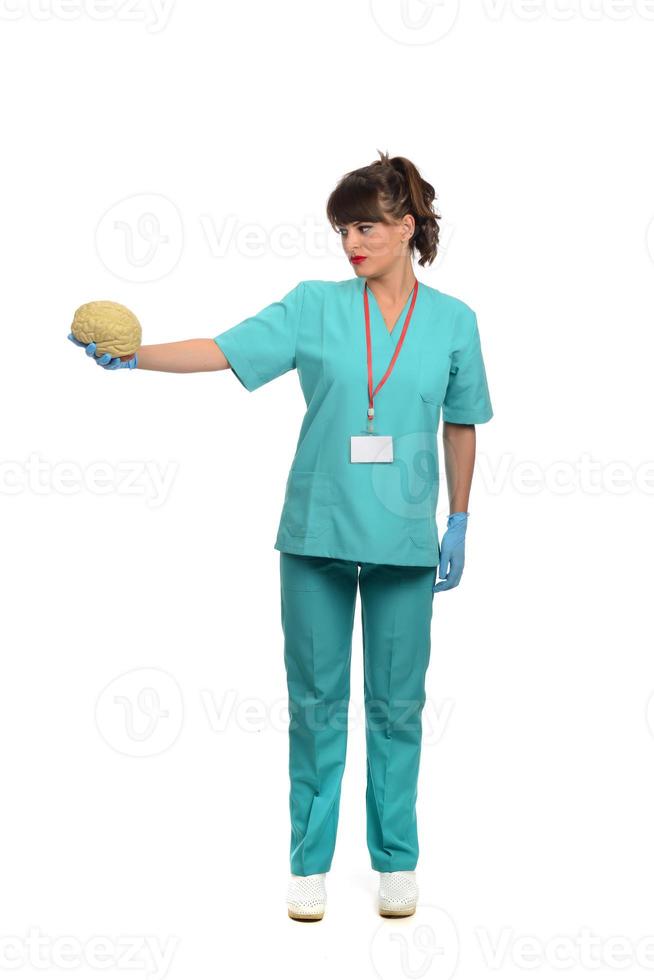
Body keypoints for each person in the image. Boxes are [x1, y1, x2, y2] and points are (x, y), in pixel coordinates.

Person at [69, 150, 493, 922]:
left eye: (365, 226)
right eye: (342, 230)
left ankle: (396, 861)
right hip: (315, 535)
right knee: (316, 704)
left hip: (405, 541)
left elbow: (461, 425)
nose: (351, 243)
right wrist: (137, 358)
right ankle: (309, 865)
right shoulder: (313, 305)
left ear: (406, 227)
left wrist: (460, 517)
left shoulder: (455, 321)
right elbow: (224, 349)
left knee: (399, 706)